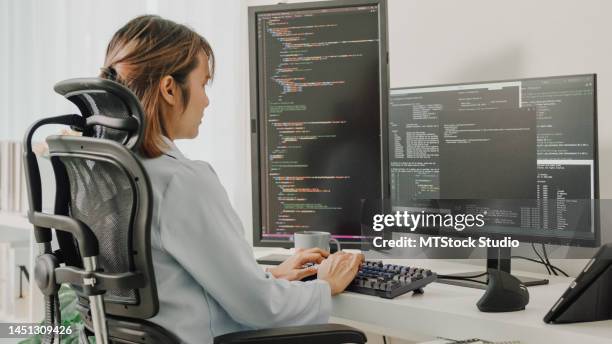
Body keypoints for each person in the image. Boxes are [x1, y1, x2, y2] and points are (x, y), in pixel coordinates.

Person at [99, 15, 364, 344]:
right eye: (202, 84)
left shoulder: (104, 171)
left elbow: (167, 280)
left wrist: (264, 275)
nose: (206, 100)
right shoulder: (181, 180)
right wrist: (326, 285)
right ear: (169, 88)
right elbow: (261, 310)